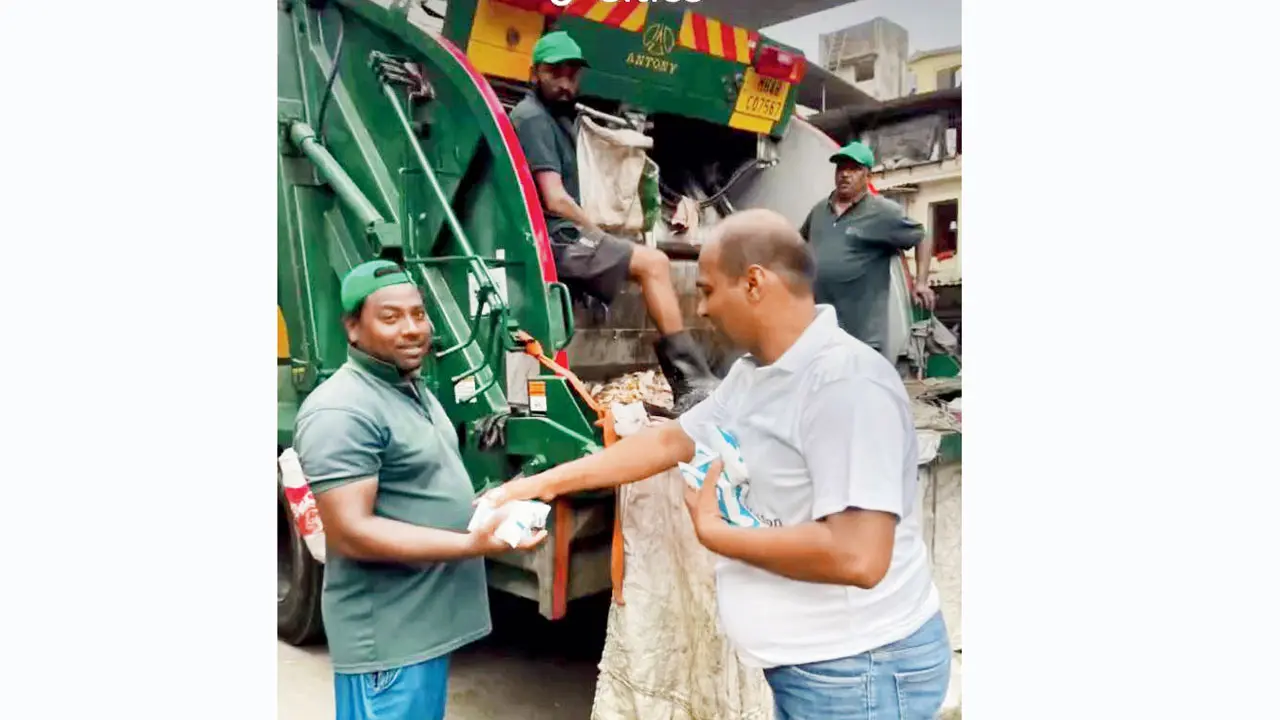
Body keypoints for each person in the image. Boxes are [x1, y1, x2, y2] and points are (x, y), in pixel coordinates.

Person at [486, 209, 951, 719]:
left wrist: (715, 533)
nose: (702, 309)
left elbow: (858, 556)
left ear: (754, 283)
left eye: (707, 290)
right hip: (822, 670)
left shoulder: (845, 385)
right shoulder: (757, 376)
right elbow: (670, 440)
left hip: (860, 672)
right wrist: (539, 485)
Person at [292, 260, 545, 720]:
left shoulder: (411, 388)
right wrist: (472, 543)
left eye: (419, 314)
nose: (412, 329)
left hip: (423, 629)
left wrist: (488, 507)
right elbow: (350, 532)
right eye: (390, 318)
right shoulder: (341, 411)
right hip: (389, 642)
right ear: (352, 328)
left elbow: (418, 490)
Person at [509, 30, 717, 413]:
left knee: (648, 261)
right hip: (552, 239)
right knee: (653, 263)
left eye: (572, 74)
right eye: (555, 72)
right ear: (534, 72)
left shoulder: (555, 118)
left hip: (561, 235)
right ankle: (693, 382)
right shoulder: (533, 118)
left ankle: (692, 381)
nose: (565, 82)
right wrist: (598, 232)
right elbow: (554, 199)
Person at [799, 140, 937, 360]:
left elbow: (922, 236)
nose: (845, 174)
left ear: (867, 175)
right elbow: (801, 243)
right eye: (841, 167)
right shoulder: (819, 210)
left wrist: (921, 282)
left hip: (861, 337)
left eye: (854, 169)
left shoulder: (883, 212)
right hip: (821, 332)